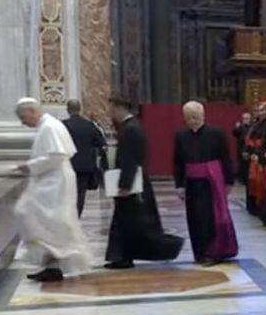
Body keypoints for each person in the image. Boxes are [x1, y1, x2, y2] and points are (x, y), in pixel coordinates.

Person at [13, 98, 92, 282]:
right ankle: (50, 266)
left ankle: (57, 264)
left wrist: (29, 166)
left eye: (23, 117)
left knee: (46, 221)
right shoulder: (48, 125)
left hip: (54, 183)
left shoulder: (50, 127)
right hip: (51, 179)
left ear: (32, 111)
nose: (23, 122)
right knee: (44, 223)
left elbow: (56, 155)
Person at [104, 97, 183, 268]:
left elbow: (130, 160)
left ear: (120, 108)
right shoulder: (131, 126)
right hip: (134, 182)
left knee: (135, 222)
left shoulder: (131, 129)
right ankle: (123, 257)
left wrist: (125, 185)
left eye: (112, 109)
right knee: (127, 221)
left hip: (132, 185)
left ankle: (168, 246)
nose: (110, 113)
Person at [173, 101, 238, 265]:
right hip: (192, 184)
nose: (191, 120)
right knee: (194, 217)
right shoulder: (181, 135)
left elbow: (225, 158)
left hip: (211, 183)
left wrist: (229, 180)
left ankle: (213, 252)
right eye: (188, 117)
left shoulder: (216, 133)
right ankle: (200, 252)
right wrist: (179, 185)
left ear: (203, 115)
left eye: (194, 116)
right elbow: (178, 162)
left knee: (210, 217)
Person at [63, 99, 105, 217]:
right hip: (85, 166)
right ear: (80, 109)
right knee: (81, 193)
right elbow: (100, 142)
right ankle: (77, 216)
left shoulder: (63, 125)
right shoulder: (89, 125)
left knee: (67, 193)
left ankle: (68, 216)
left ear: (68, 110)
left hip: (68, 165)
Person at [232, 111, 253, 185]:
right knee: (242, 164)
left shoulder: (253, 127)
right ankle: (242, 178)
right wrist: (236, 127)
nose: (245, 120)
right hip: (241, 148)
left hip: (250, 149)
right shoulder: (240, 127)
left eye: (247, 118)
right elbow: (234, 133)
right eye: (244, 119)